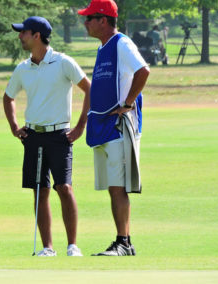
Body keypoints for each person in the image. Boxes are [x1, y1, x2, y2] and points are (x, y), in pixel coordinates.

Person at [3, 16, 91, 257]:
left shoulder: (63, 63)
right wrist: (14, 126)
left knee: (64, 187)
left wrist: (80, 127)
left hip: (60, 135)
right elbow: (8, 96)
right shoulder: (22, 68)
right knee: (40, 190)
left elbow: (89, 89)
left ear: (37, 36)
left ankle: (72, 245)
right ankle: (47, 248)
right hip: (33, 135)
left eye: (24, 33)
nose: (20, 36)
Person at [78, 0, 150, 256]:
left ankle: (124, 242)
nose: (85, 23)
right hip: (103, 126)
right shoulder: (103, 48)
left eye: (89, 18)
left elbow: (143, 71)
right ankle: (122, 242)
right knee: (113, 187)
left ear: (103, 20)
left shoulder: (121, 43)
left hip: (119, 126)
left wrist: (128, 103)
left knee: (118, 186)